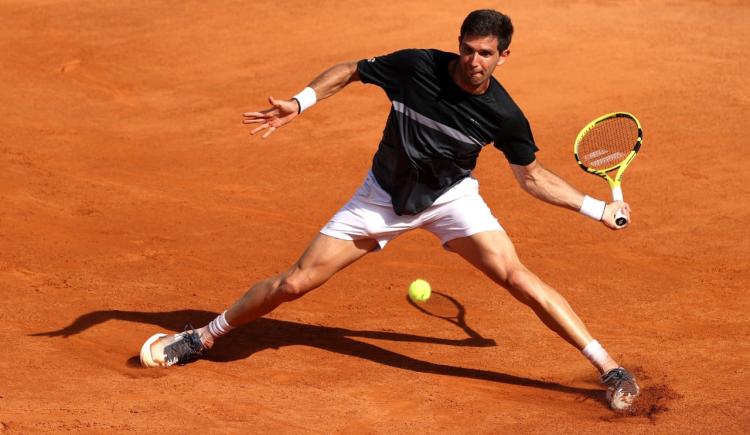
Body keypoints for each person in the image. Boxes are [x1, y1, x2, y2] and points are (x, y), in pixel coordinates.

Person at [139, 9, 640, 410]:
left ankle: (608, 367)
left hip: (449, 200)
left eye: (485, 54)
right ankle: (201, 336)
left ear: (503, 56)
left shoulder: (503, 114)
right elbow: (353, 70)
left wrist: (598, 209)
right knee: (293, 283)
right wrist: (301, 100)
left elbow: (532, 177)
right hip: (380, 199)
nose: (473, 61)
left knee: (517, 277)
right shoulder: (416, 66)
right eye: (467, 49)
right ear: (459, 43)